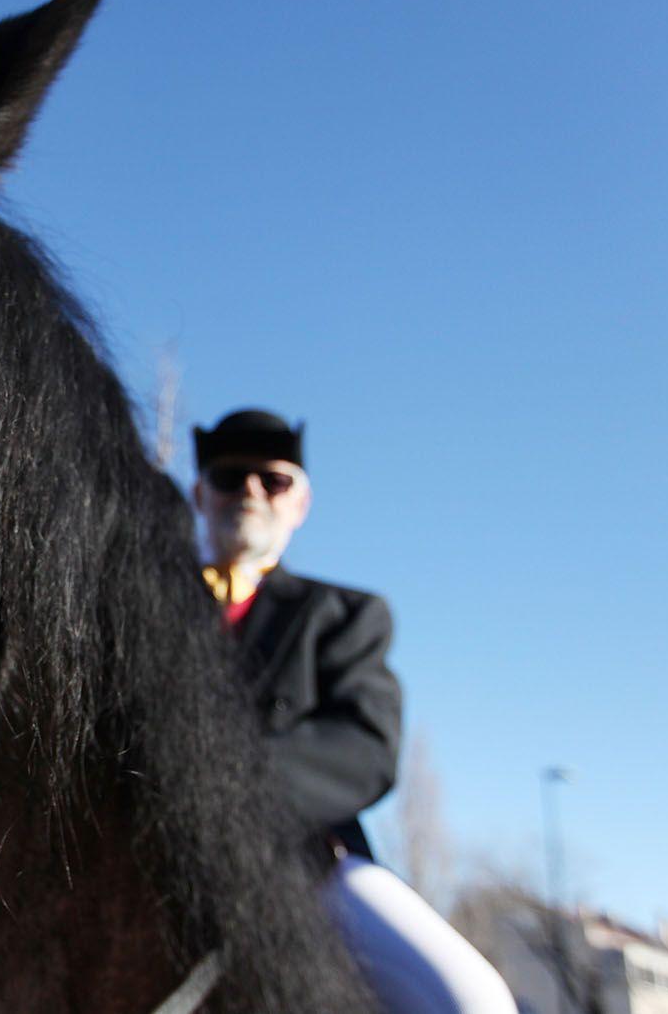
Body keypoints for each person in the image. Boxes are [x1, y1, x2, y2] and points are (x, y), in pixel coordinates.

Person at [193, 409, 516, 1014]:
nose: (252, 493)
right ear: (199, 493)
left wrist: (216, 786)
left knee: (467, 999)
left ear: (301, 503)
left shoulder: (344, 614)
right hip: (144, 847)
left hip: (307, 863)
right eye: (231, 477)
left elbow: (365, 748)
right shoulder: (145, 606)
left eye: (274, 480)